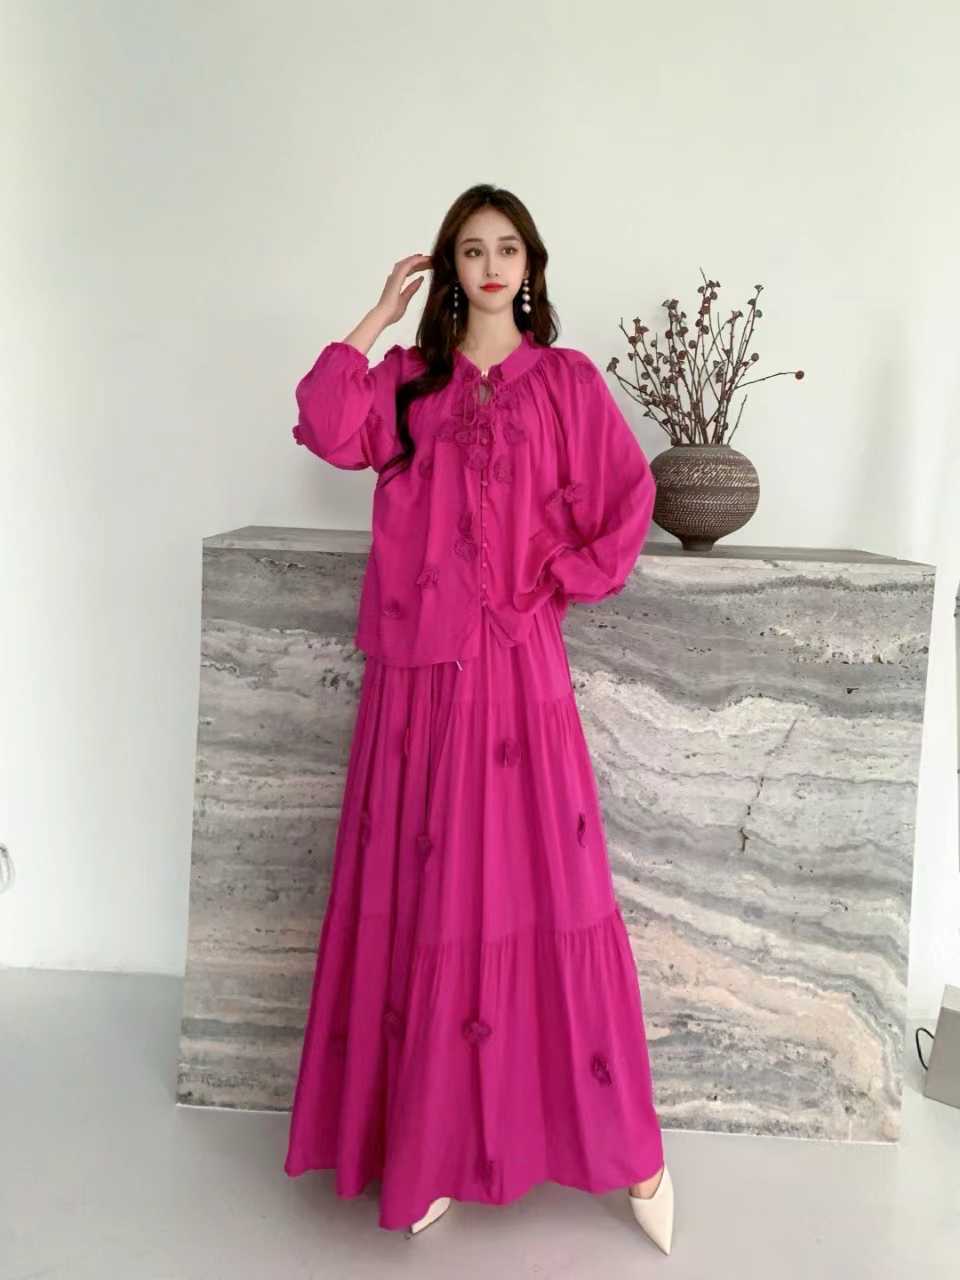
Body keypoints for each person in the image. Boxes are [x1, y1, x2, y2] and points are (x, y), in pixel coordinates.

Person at [283, 184, 674, 1254]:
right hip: (416, 676)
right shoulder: (410, 385)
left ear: (531, 264)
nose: (491, 266)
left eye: (507, 248)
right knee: (427, 899)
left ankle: (630, 1152)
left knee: (540, 894)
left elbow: (627, 499)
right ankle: (433, 1147)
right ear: (449, 269)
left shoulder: (566, 383)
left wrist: (557, 576)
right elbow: (325, 421)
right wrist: (378, 312)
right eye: (471, 250)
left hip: (514, 671)